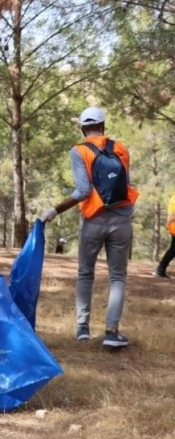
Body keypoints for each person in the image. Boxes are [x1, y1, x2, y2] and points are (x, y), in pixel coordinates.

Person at [39, 106, 138, 348]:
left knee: (85, 274)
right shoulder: (121, 148)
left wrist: (54, 210)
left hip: (93, 220)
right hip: (122, 219)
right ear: (103, 126)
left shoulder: (79, 151)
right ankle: (112, 332)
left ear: (83, 129)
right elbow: (124, 184)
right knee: (117, 277)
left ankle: (82, 329)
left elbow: (83, 191)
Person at [154, 190, 175, 279]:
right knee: (173, 249)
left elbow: (170, 215)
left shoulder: (173, 197)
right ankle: (160, 269)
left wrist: (168, 225)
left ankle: (160, 269)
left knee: (173, 249)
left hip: (173, 226)